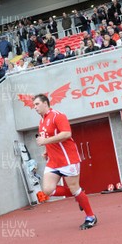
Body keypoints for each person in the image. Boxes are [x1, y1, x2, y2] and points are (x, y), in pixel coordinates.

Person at [33, 94, 97, 230]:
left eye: (37, 104)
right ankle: (80, 194)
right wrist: (47, 150)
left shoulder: (58, 115)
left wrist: (45, 142)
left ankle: (91, 217)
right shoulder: (41, 122)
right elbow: (49, 139)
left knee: (75, 188)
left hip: (68, 159)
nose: (35, 107)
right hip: (53, 161)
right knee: (48, 190)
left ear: (45, 103)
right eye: (34, 105)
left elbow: (67, 134)